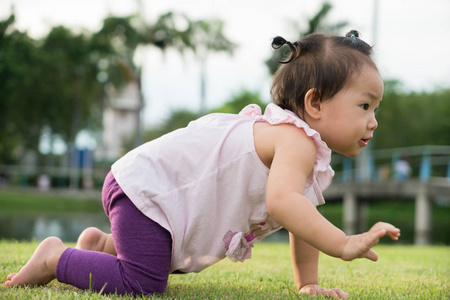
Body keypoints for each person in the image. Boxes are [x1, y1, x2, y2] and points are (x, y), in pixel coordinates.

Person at [5, 30, 400, 299]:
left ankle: (101, 247)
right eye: (364, 106)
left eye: (375, 108)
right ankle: (55, 258)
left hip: (146, 188)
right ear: (314, 103)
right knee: (144, 283)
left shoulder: (300, 146)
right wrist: (343, 243)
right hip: (150, 192)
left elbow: (300, 218)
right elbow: (283, 204)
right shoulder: (295, 140)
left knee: (162, 266)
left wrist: (307, 284)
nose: (373, 121)